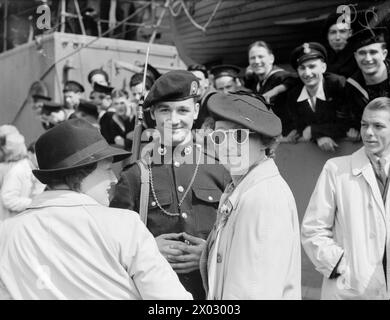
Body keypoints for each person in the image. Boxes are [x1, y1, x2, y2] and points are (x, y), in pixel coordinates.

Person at [0, 118, 192, 300]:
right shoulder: (124, 224)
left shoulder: (6, 232)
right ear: (80, 173)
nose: (114, 179)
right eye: (107, 169)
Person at [110, 70, 231, 299]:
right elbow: (113, 243)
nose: (174, 120)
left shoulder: (220, 171)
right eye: (165, 110)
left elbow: (239, 238)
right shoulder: (135, 176)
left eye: (183, 110)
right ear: (153, 114)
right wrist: (147, 248)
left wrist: (209, 254)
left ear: (196, 111)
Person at [200, 91, 301, 299]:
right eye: (219, 136)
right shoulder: (242, 186)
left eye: (239, 136)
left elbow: (253, 290)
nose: (227, 145)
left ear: (266, 142)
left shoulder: (262, 198)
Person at [301, 97, 390, 299]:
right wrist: (342, 266)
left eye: (378, 126)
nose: (368, 133)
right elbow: (313, 229)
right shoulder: (336, 169)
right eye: (364, 125)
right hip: (349, 290)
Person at [286, 42, 346, 152]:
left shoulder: (337, 85)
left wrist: (313, 131)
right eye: (302, 68)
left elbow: (348, 123)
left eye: (312, 66)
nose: (307, 73)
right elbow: (300, 128)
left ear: (323, 67)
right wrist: (318, 136)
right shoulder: (294, 95)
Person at [343, 27, 390, 140]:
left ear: (384, 54)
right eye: (362, 53)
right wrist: (351, 128)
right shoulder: (352, 86)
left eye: (373, 52)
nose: (368, 58)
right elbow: (346, 118)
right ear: (355, 56)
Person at [244, 41, 297, 136]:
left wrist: (274, 91)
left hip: (288, 136)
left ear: (271, 58)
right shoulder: (257, 81)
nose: (256, 61)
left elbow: (294, 80)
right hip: (269, 135)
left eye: (261, 57)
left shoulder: (280, 77)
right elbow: (248, 83)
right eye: (252, 58)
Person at [0, 131, 44, 221]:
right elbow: (8, 199)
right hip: (12, 222)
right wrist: (33, 203)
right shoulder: (18, 170)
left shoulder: (38, 170)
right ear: (29, 154)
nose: (41, 158)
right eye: (37, 154)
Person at [322, 11, 357, 77]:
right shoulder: (323, 59)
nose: (337, 37)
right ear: (327, 36)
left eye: (342, 31)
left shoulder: (358, 55)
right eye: (333, 32)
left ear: (350, 33)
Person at [187, 64, 215, 130]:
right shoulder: (190, 100)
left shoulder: (212, 101)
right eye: (190, 80)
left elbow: (204, 135)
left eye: (198, 79)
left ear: (206, 83)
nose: (195, 83)